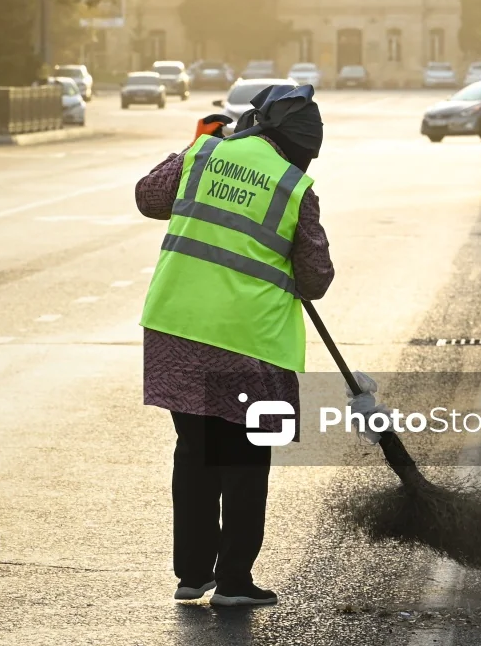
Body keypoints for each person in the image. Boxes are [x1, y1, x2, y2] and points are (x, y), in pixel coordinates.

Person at [135, 84, 334, 607]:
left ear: (255, 120)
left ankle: (193, 574)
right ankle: (235, 581)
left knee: (195, 450)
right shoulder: (295, 188)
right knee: (245, 459)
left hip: (176, 328)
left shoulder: (205, 153)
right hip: (250, 344)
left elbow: (148, 198)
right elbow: (316, 278)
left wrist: (192, 144)